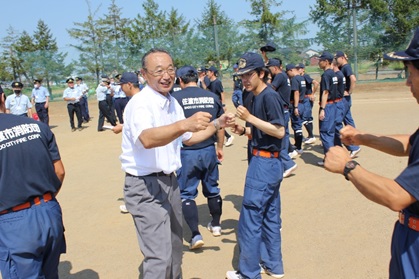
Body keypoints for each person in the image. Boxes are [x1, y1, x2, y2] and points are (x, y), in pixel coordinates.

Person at [119, 48, 231, 279]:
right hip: (145, 187)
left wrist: (218, 123)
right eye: (158, 70)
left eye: (170, 69)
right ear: (144, 74)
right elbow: (147, 139)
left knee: (175, 249)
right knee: (159, 256)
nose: (166, 75)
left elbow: (189, 139)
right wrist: (184, 125)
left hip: (170, 183)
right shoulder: (140, 103)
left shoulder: (172, 103)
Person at [324, 28, 419, 279]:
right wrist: (362, 137)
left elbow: (397, 197)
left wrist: (348, 166)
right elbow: (411, 143)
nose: (407, 82)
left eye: (411, 74)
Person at [226, 52, 285, 279]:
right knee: (269, 215)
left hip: (264, 164)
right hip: (265, 160)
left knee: (250, 218)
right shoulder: (252, 96)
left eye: (249, 74)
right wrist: (243, 130)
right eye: (241, 76)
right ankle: (273, 265)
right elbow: (262, 132)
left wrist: (249, 118)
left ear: (261, 73)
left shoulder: (269, 96)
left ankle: (249, 273)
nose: (245, 80)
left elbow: (279, 131)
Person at [0, 93, 66, 278]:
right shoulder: (35, 126)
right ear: (3, 97)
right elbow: (59, 171)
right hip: (49, 212)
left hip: (13, 223)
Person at [172, 65, 225, 250]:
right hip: (209, 149)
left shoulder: (174, 99)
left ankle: (195, 234)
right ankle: (217, 225)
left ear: (180, 80)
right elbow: (220, 125)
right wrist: (219, 147)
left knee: (186, 193)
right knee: (213, 188)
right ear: (198, 78)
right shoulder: (212, 96)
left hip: (187, 151)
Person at [267, 58, 297, 178]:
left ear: (275, 67)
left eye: (270, 69)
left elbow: (270, 89)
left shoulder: (279, 76)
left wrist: (267, 79)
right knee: (284, 137)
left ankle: (288, 164)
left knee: (279, 138)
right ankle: (288, 158)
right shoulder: (284, 75)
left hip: (281, 110)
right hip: (284, 109)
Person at [335, 51, 362, 158]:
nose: (335, 60)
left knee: (337, 121)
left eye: (336, 58)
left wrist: (349, 92)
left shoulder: (346, 67)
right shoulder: (344, 67)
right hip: (345, 99)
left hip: (344, 98)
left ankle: (353, 147)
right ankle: (355, 142)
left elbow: (353, 79)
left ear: (342, 58)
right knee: (348, 120)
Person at [317, 51, 338, 165]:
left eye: (320, 60)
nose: (319, 62)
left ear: (326, 62)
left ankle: (330, 160)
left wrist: (322, 109)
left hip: (328, 106)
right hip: (333, 105)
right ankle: (332, 158)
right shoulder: (333, 74)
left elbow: (325, 92)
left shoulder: (326, 75)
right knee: (330, 132)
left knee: (325, 133)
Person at [207, 65, 235, 147]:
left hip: (218, 104)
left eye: (208, 72)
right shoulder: (210, 83)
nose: (207, 73)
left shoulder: (217, 82)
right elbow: (206, 89)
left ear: (212, 73)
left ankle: (229, 136)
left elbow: (222, 93)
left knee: (217, 121)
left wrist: (223, 104)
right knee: (214, 121)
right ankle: (217, 138)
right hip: (213, 105)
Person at [286, 63, 305, 155]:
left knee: (297, 126)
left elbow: (296, 93)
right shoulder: (302, 78)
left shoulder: (294, 79)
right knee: (298, 125)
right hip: (302, 103)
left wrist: (296, 107)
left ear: (291, 70)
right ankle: (297, 145)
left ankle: (299, 147)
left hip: (296, 104)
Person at [296, 63, 319, 144]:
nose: (297, 70)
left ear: (303, 69)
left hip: (306, 99)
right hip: (304, 99)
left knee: (305, 118)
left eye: (299, 68)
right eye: (296, 68)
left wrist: (312, 94)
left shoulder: (305, 76)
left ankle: (312, 136)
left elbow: (316, 83)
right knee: (308, 118)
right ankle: (310, 135)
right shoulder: (298, 78)